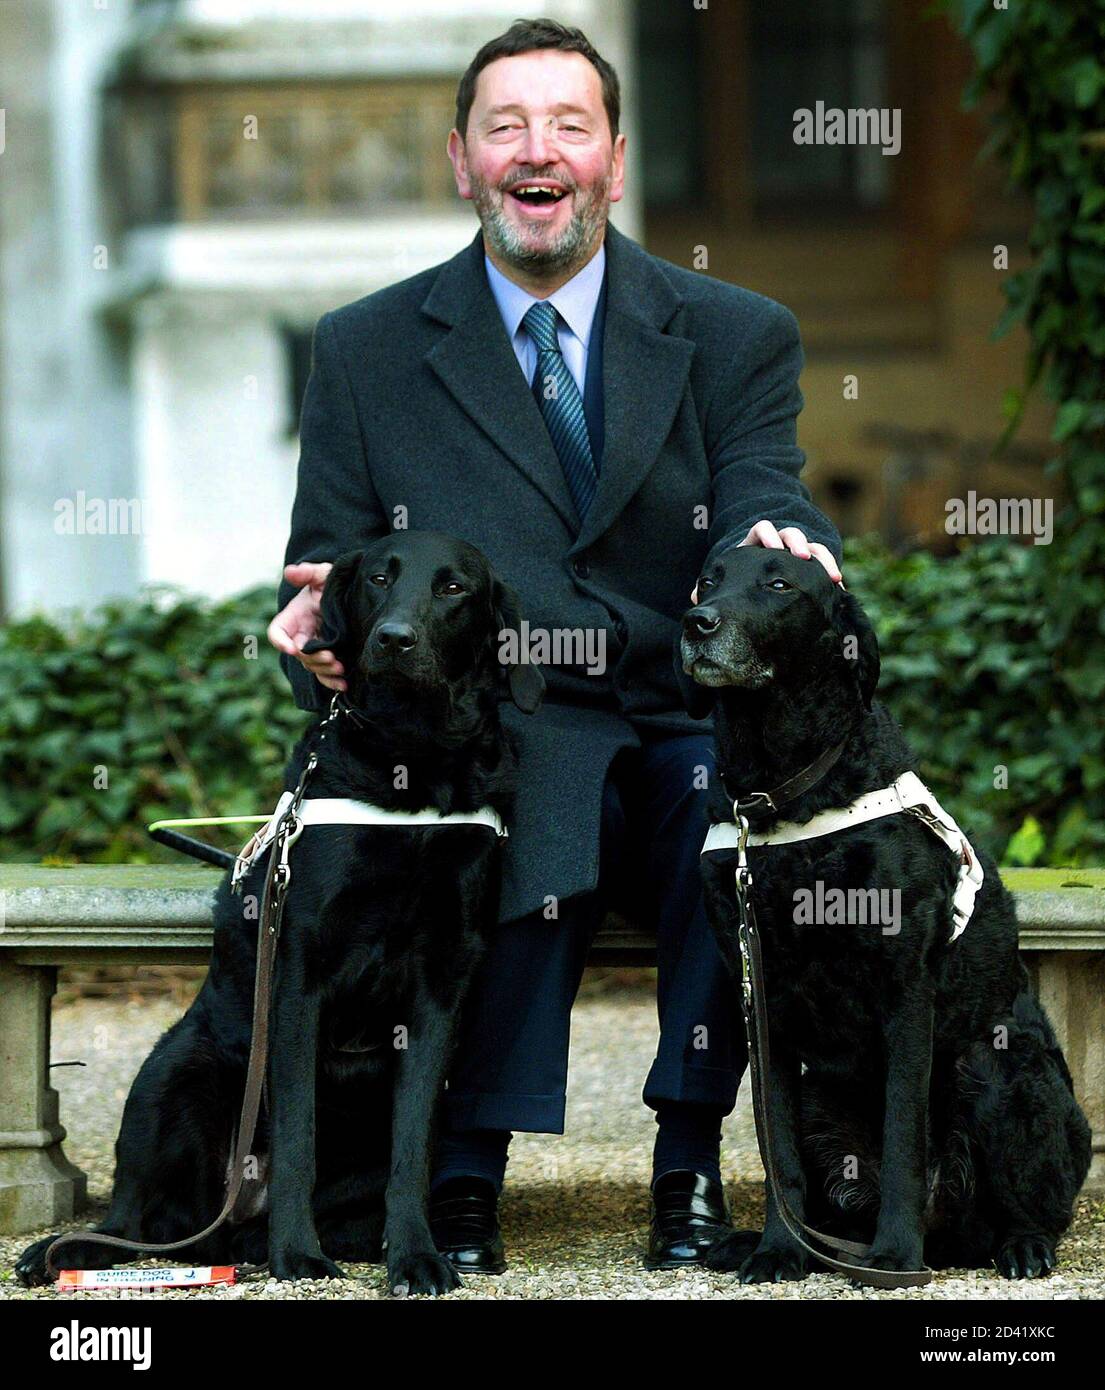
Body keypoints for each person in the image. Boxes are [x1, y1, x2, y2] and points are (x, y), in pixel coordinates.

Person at [267, 17, 842, 1275]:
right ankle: (465, 1172)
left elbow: (765, 495)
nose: (540, 152)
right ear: (461, 163)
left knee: (719, 814)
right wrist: (311, 631)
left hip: (681, 712)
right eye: (506, 127)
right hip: (497, 725)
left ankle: (686, 1163)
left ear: (616, 161)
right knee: (527, 793)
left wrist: (789, 549)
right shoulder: (364, 348)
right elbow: (334, 566)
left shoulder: (735, 331)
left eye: (568, 126)